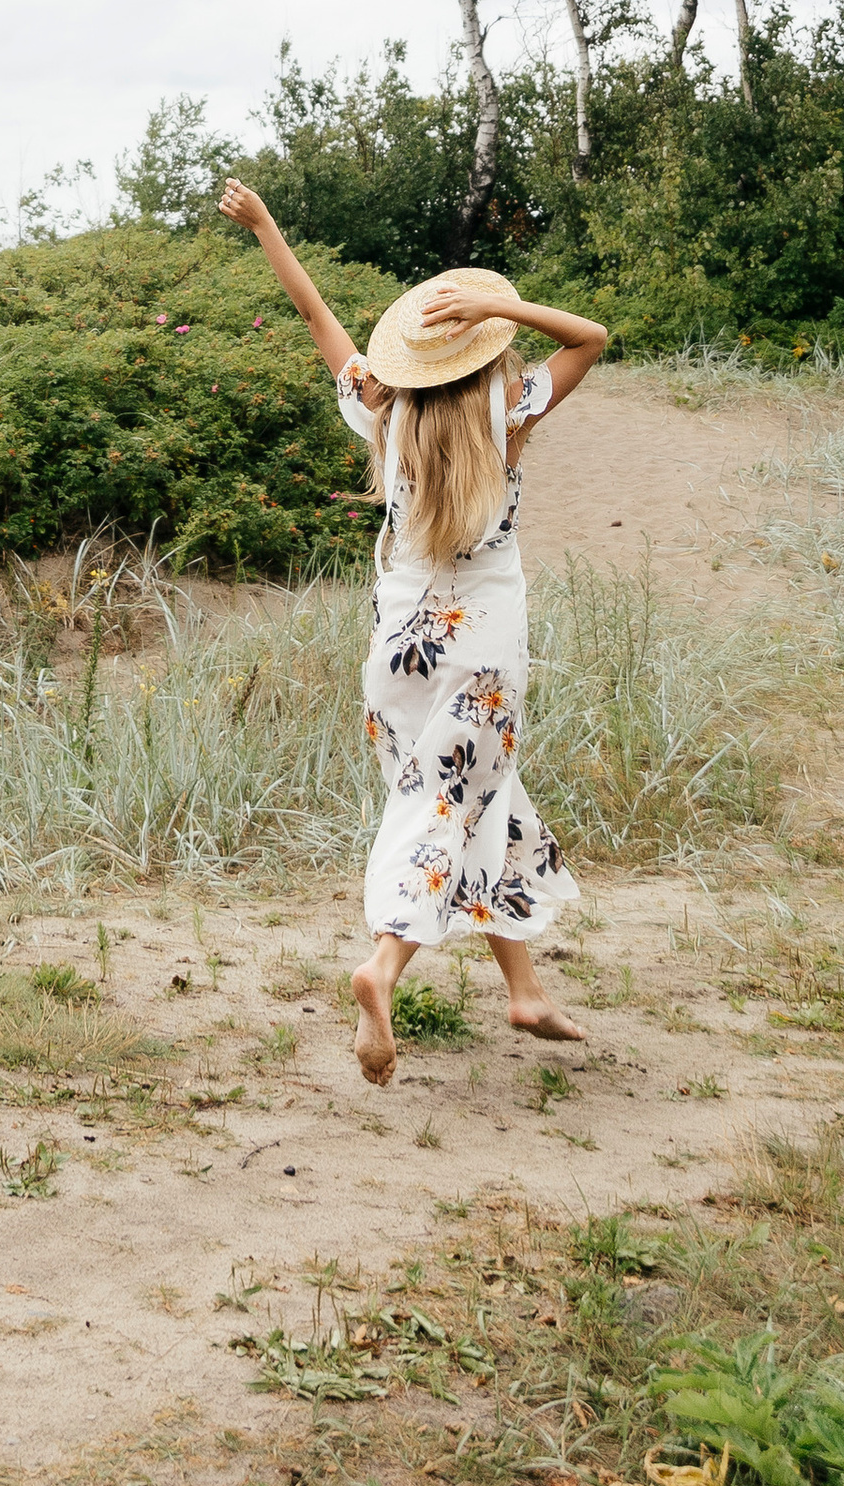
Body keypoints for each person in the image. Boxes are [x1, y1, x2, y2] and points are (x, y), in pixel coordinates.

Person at [216, 180, 610, 1089]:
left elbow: (320, 321)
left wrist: (270, 226)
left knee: (480, 794)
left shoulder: (385, 410)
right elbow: (590, 337)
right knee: (445, 806)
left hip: (397, 648)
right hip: (480, 649)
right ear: (484, 355)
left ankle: (525, 992)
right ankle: (384, 965)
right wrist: (499, 305)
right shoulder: (507, 414)